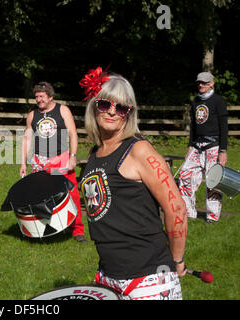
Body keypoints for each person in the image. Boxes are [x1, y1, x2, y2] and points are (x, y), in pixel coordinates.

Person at [78, 68, 187, 300]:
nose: (112, 112)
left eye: (122, 108)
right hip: (108, 275)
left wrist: (177, 260)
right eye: (105, 104)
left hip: (148, 279)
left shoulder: (139, 150)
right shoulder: (95, 153)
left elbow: (176, 207)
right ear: (94, 106)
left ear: (129, 113)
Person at [20, 81, 86, 242]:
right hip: (39, 161)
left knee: (71, 194)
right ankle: (44, 228)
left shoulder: (62, 110)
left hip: (61, 159)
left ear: (50, 97)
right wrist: (23, 163)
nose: (39, 100)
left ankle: (77, 230)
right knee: (41, 196)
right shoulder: (32, 115)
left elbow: (73, 134)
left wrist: (73, 156)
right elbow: (27, 140)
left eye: (42, 96)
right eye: (36, 97)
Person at [178, 71, 228, 223]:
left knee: (213, 181)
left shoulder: (218, 101)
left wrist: (223, 151)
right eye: (199, 82)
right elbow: (193, 126)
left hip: (213, 146)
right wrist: (190, 146)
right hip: (196, 146)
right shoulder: (195, 102)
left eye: (205, 82)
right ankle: (189, 213)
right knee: (185, 176)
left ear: (212, 83)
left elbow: (224, 127)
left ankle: (212, 217)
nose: (201, 85)